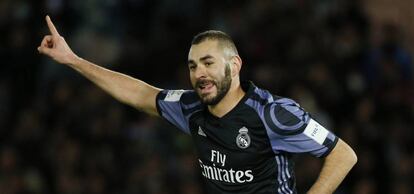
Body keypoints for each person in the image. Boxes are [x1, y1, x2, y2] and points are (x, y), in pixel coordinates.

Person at [38, 15, 357, 194]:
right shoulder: (190, 107)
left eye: (207, 63)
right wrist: (73, 60)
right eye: (192, 66)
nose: (199, 73)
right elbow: (139, 94)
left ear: (234, 66)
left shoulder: (273, 113)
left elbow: (343, 155)